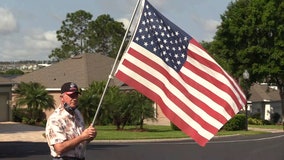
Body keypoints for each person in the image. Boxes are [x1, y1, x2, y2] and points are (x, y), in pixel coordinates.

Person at [45, 82, 97, 160]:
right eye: (71, 95)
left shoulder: (78, 114)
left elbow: (79, 142)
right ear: (61, 97)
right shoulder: (55, 119)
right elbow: (59, 149)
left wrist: (89, 136)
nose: (74, 98)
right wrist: (82, 137)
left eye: (76, 95)